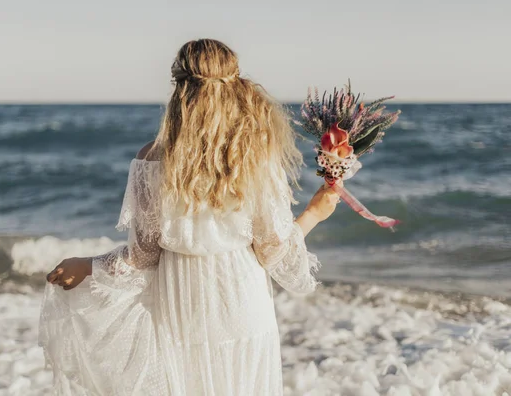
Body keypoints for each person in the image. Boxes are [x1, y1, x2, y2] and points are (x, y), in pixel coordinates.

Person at [39, 38, 339, 396]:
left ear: (178, 90)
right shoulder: (255, 155)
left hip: (183, 310)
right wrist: (314, 215)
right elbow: (273, 249)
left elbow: (144, 257)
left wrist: (89, 265)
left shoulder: (152, 159)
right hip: (244, 306)